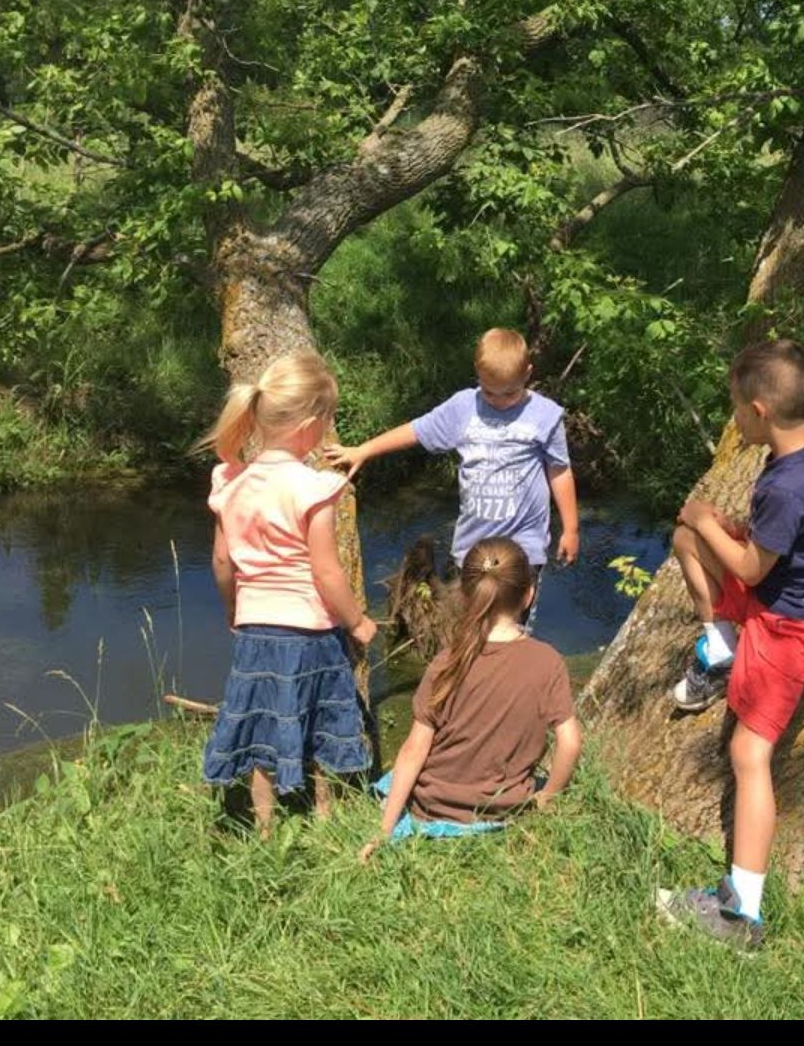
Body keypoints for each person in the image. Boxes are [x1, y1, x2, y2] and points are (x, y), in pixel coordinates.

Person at [656, 339, 804, 949]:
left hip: (791, 629)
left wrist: (714, 521)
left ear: (760, 411)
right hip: (774, 603)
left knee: (748, 754)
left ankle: (742, 913)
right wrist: (710, 528)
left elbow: (754, 568)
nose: (733, 419)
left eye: (736, 409)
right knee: (687, 538)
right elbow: (772, 550)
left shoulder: (790, 487)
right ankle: (721, 644)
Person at [193, 348, 378, 839]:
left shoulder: (231, 483)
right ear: (311, 424)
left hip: (256, 628)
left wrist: (235, 608)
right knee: (315, 716)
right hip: (310, 629)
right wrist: (357, 621)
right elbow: (327, 572)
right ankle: (322, 814)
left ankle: (266, 826)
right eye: (329, 419)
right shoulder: (312, 486)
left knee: (260, 724)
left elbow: (221, 561)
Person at [324, 327, 579, 626]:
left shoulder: (545, 416)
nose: (498, 401)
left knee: (513, 627)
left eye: (509, 393)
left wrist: (571, 528)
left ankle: (512, 668)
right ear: (477, 374)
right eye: (489, 392)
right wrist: (364, 450)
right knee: (469, 628)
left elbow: (560, 470)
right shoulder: (464, 407)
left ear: (528, 374)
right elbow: (417, 430)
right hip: (472, 549)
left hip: (523, 548)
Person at [359, 535, 582, 858]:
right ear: (528, 595)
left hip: (433, 809)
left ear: (465, 596)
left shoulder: (447, 661)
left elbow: (413, 750)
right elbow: (571, 743)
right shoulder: (548, 662)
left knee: (393, 777)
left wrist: (384, 830)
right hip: (502, 814)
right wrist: (547, 796)